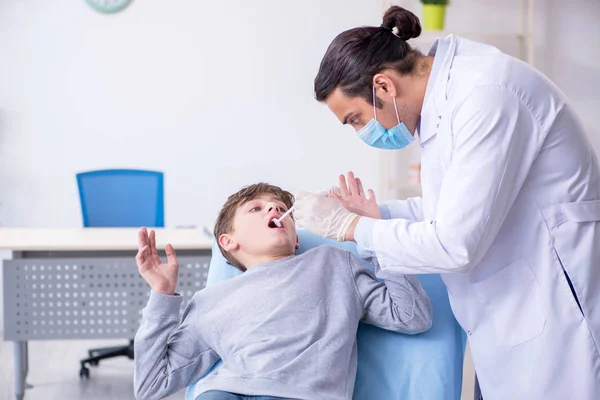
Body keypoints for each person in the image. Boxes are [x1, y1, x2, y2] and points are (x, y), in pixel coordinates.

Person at [294, 5, 600, 400]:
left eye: (355, 119)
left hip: (559, 329)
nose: (361, 132)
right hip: (508, 333)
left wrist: (349, 228)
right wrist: (374, 214)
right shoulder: (445, 103)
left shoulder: (486, 95)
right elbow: (451, 210)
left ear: (383, 86)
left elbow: (456, 243)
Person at [133, 183, 432, 400]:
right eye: (256, 208)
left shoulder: (333, 263)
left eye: (280, 207)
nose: (275, 209)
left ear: (297, 239)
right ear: (228, 241)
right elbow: (151, 386)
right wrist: (161, 294)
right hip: (222, 394)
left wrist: (376, 233)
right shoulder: (210, 300)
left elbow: (412, 316)